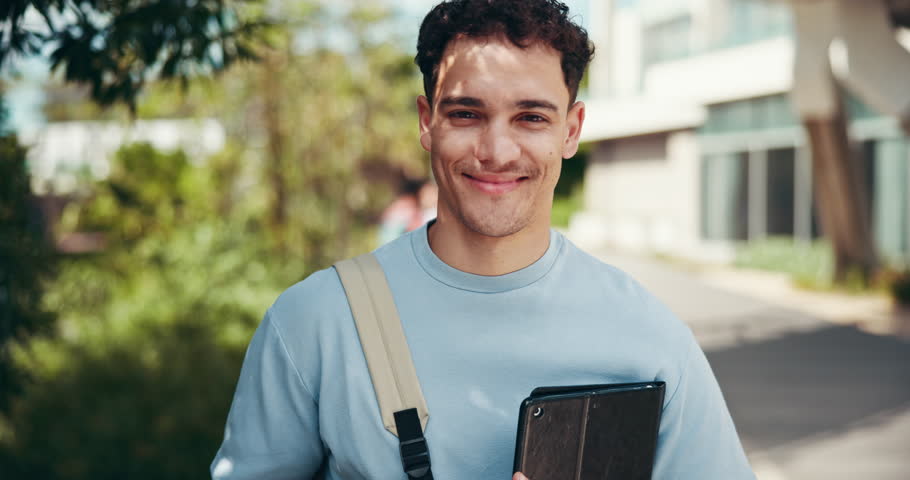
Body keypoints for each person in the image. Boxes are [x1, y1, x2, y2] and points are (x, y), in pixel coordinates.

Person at [210, 1, 756, 479]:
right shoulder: (315, 322)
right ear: (427, 122)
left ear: (571, 130)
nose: (496, 151)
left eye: (531, 117)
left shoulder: (651, 339)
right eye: (467, 114)